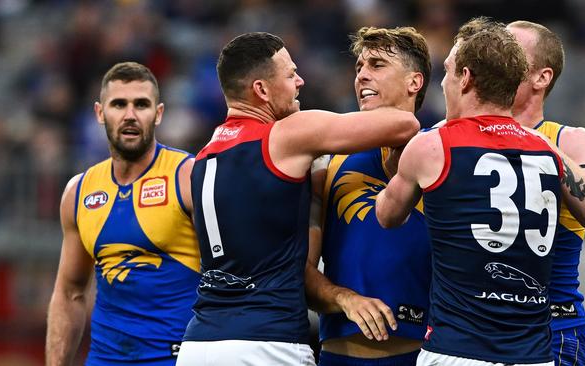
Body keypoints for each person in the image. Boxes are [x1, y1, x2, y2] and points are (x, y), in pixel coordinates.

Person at [176, 32, 420, 366]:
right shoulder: (287, 136)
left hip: (199, 341)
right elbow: (405, 123)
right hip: (265, 341)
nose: (300, 81)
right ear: (261, 90)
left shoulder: (201, 159)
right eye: (291, 75)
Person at [376, 18, 579, 365]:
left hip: (457, 349)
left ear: (466, 78)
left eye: (449, 71)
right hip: (533, 354)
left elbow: (387, 214)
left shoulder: (434, 145)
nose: (442, 83)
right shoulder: (548, 151)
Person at [46, 62, 201, 365]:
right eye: (119, 104)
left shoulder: (189, 177)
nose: (130, 115)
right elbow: (69, 293)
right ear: (100, 113)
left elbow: (229, 276)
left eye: (141, 104)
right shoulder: (79, 192)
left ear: (158, 114)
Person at [304, 26, 432, 366]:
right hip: (338, 356)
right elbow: (300, 272)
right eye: (359, 67)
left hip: (424, 355)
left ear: (414, 82)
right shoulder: (326, 162)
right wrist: (345, 299)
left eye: (376, 65)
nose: (361, 75)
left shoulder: (441, 156)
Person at [507, 20, 585, 366]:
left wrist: (532, 141)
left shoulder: (571, 140)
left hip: (552, 330)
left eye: (511, 52)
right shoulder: (458, 137)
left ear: (542, 77)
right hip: (475, 332)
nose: (495, 58)